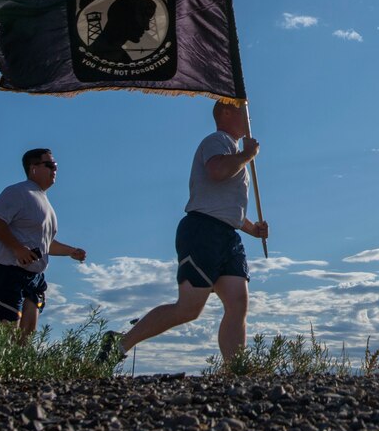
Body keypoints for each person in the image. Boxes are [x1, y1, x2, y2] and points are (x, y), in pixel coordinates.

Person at [111, 100, 268, 364]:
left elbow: (226, 207)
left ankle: (235, 369)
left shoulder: (234, 152)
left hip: (228, 235)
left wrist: (254, 230)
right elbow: (216, 171)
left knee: (238, 302)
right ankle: (120, 343)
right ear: (227, 112)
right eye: (245, 113)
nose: (250, 119)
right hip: (202, 230)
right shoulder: (216, 141)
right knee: (188, 309)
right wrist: (246, 156)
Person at [0, 147, 87, 342]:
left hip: (34, 277)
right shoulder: (18, 191)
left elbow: (46, 245)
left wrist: (71, 251)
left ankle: (12, 372)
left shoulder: (46, 204)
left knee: (25, 336)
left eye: (55, 166)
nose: (55, 169)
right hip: (7, 272)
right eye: (50, 165)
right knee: (3, 335)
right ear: (33, 168)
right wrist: (17, 248)